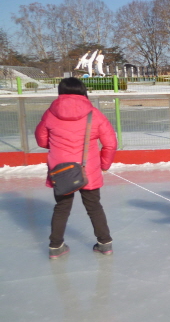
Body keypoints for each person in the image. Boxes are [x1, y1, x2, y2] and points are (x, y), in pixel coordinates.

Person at [35, 77, 117, 259]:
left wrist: (58, 145)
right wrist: (104, 165)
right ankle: (104, 244)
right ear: (83, 91)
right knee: (94, 207)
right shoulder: (94, 114)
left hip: (61, 170)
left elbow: (41, 140)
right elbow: (110, 143)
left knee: (62, 207)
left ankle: (56, 246)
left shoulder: (50, 113)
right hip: (88, 169)